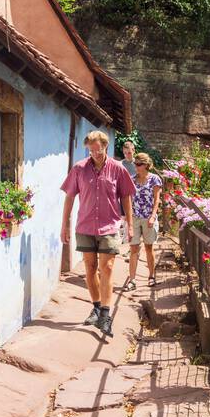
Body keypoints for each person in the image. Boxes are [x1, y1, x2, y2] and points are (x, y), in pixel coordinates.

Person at [61, 130, 135, 338]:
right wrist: (64, 225)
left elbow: (126, 198)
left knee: (108, 267)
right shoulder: (79, 169)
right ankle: (95, 307)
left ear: (106, 146)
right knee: (90, 267)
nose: (95, 153)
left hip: (109, 226)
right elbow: (69, 197)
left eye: (99, 149)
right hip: (84, 226)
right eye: (91, 150)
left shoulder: (118, 169)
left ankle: (105, 314)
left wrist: (129, 225)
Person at [124, 152, 161, 291]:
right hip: (134, 217)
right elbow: (127, 200)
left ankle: (151, 276)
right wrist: (128, 220)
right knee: (133, 248)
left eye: (139, 164)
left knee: (148, 247)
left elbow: (157, 200)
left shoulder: (155, 179)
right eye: (135, 164)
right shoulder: (132, 179)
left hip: (148, 217)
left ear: (146, 165)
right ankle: (132, 280)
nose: (136, 166)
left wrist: (153, 216)